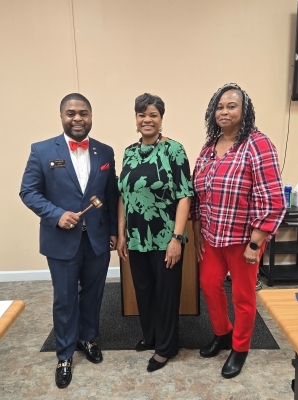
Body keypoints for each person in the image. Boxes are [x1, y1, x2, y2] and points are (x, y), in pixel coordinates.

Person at [20, 93, 118, 389]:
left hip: (98, 240)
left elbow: (112, 195)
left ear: (91, 116)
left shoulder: (105, 151)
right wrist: (57, 214)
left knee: (93, 294)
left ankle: (88, 339)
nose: (78, 118)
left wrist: (113, 230)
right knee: (64, 299)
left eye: (84, 113)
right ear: (62, 116)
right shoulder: (42, 150)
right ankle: (63, 355)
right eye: (71, 113)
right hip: (61, 240)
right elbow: (28, 192)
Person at [190, 83, 286, 379]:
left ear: (245, 111)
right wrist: (196, 235)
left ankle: (241, 347)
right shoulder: (209, 148)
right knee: (209, 285)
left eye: (232, 106)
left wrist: (256, 243)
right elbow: (198, 195)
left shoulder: (258, 144)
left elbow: (272, 198)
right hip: (212, 236)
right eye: (219, 106)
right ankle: (223, 333)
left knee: (243, 297)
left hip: (244, 240)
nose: (224, 111)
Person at [117, 93, 194, 372]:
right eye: (141, 115)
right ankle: (151, 336)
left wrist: (177, 238)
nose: (147, 120)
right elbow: (123, 195)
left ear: (161, 119)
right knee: (144, 290)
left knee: (166, 293)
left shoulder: (174, 150)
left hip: (165, 237)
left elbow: (185, 195)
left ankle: (166, 347)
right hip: (137, 238)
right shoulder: (128, 152)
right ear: (136, 119)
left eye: (153, 115)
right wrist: (122, 234)